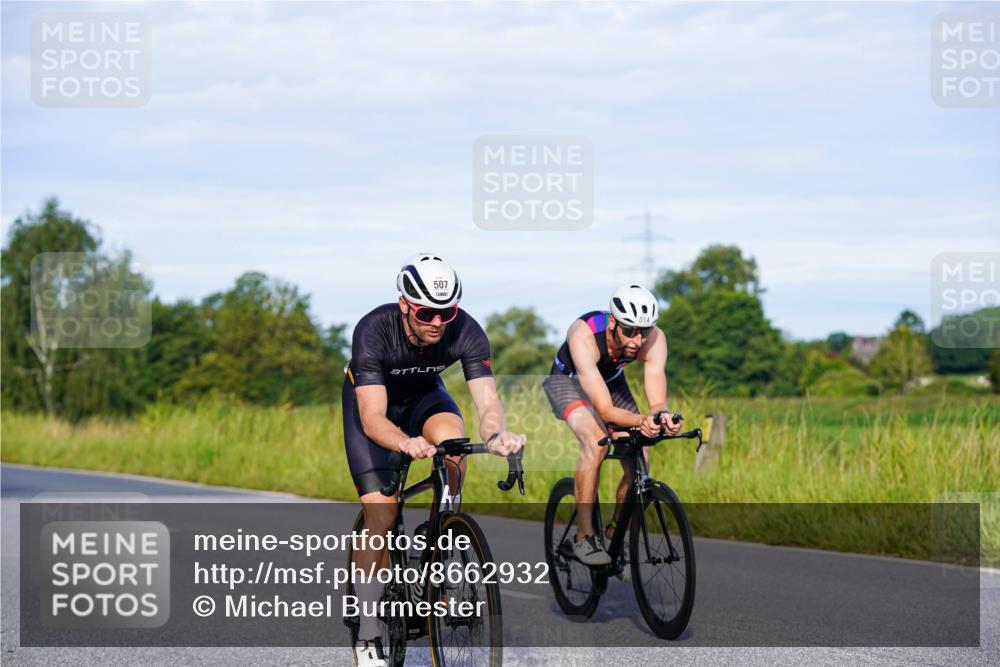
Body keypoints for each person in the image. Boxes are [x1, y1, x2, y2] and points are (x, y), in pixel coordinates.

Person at [343, 253, 527, 667]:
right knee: (382, 514)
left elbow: (487, 402)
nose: (438, 322)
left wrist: (497, 434)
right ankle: (369, 627)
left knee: (455, 443)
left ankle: (439, 527)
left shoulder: (466, 331)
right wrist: (405, 442)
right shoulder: (373, 330)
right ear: (405, 304)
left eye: (448, 312)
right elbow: (373, 419)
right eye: (427, 312)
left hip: (425, 395)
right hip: (374, 410)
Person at [542, 284, 682, 566]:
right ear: (612, 323)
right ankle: (585, 536)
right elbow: (605, 410)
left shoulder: (654, 338)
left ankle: (617, 531)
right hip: (567, 382)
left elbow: (656, 401)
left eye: (644, 331)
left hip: (609, 381)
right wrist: (641, 421)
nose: (638, 340)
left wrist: (661, 416)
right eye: (629, 330)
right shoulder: (584, 334)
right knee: (596, 442)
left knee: (640, 454)